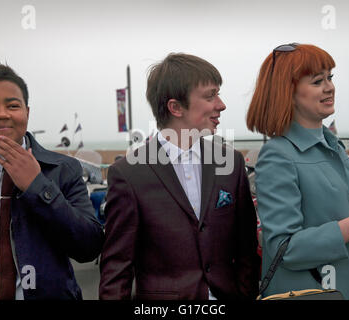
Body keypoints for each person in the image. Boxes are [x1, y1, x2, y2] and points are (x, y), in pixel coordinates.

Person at [99, 53, 260, 300]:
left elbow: (246, 250)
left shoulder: (231, 163)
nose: (221, 104)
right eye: (210, 95)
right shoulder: (129, 174)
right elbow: (117, 269)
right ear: (175, 107)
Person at [246, 43, 349, 300]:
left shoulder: (334, 146)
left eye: (330, 77)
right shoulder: (278, 155)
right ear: (286, 91)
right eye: (317, 81)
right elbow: (283, 248)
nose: (329, 87)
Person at [0, 64, 104, 300]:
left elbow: (89, 246)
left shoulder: (64, 170)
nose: (2, 114)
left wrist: (38, 186)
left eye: (13, 105)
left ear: (27, 112)